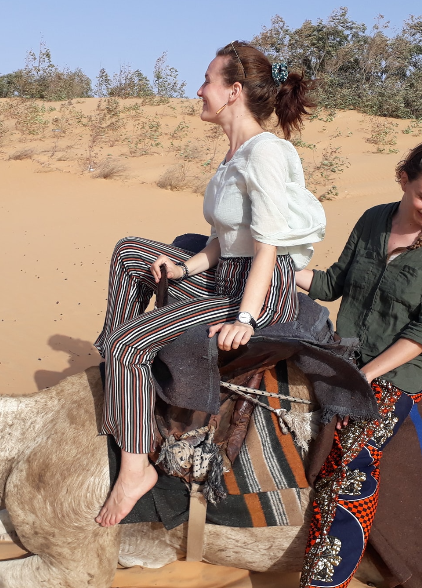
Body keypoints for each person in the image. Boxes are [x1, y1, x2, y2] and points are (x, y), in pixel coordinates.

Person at [93, 41, 326, 527]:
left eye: (207, 81)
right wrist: (182, 269)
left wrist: (245, 318)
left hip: (255, 294)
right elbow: (224, 240)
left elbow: (267, 247)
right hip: (224, 273)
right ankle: (114, 379)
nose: (199, 90)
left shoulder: (263, 155)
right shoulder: (233, 153)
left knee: (128, 346)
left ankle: (135, 470)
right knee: (131, 251)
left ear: (233, 91)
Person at [295, 139, 422, 588]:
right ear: (403, 181)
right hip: (341, 351)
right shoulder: (374, 218)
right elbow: (333, 282)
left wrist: (368, 374)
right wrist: (276, 269)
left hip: (393, 375)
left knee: (351, 463)